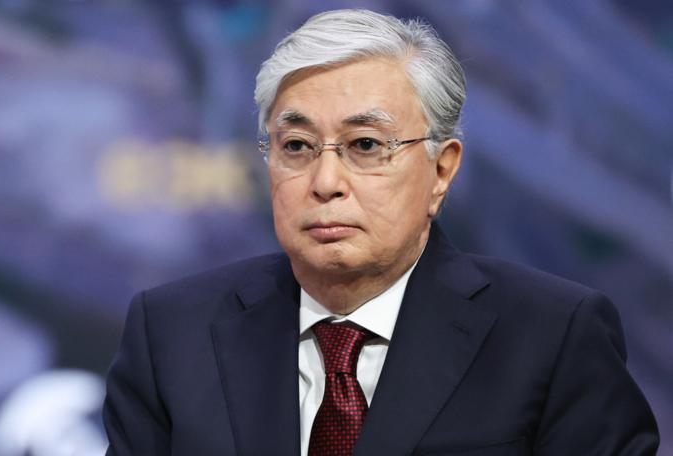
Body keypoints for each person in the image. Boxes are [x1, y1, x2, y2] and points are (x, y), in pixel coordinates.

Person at [102, 9, 659, 456]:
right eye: (296, 146)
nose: (325, 182)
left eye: (366, 145)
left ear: (442, 169)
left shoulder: (553, 334)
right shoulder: (172, 335)